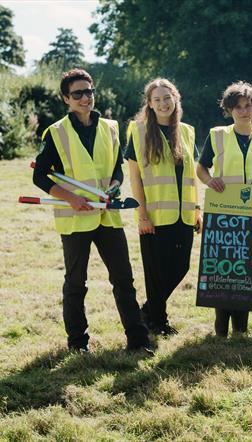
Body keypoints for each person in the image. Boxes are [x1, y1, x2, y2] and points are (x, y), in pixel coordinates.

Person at [32, 68, 150, 353]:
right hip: (75, 219)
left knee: (123, 279)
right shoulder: (57, 132)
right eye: (78, 94)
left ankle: (137, 340)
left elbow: (116, 170)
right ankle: (77, 344)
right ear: (66, 99)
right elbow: (39, 176)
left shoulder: (110, 127)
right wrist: (70, 198)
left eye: (89, 92)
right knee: (76, 283)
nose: (86, 98)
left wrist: (114, 184)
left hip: (107, 215)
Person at [197, 81, 252, 338]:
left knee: (248, 269)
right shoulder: (217, 135)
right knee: (224, 269)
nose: (244, 111)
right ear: (229, 110)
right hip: (224, 210)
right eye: (238, 107)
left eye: (249, 106)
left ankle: (240, 329)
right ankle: (220, 329)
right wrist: (209, 180)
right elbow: (201, 168)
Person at [125, 78, 201, 336]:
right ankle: (158, 321)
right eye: (156, 99)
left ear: (175, 98)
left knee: (181, 267)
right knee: (156, 273)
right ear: (149, 104)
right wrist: (142, 215)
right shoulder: (138, 131)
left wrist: (198, 209)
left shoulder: (188, 131)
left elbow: (191, 174)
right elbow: (134, 177)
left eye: (167, 98)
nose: (163, 103)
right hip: (155, 216)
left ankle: (147, 311)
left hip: (185, 214)